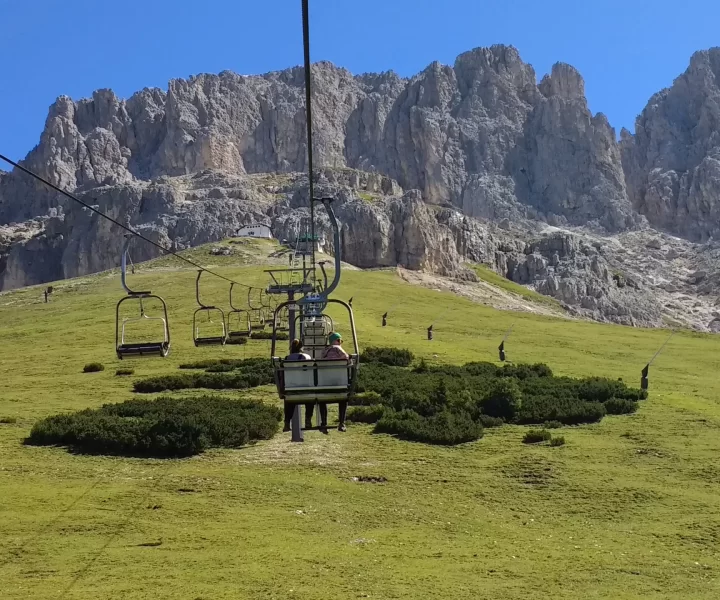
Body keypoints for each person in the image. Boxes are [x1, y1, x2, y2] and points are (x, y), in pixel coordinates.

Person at [283, 339, 313, 432]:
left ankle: (287, 422)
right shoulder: (306, 357)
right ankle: (308, 420)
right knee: (310, 400)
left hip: (291, 386)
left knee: (289, 402)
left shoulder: (287, 358)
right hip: (305, 386)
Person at [322, 332, 350, 432]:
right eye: (339, 341)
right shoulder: (338, 349)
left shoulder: (325, 351)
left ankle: (323, 422)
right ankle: (342, 422)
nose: (340, 343)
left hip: (325, 381)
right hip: (338, 380)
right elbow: (346, 358)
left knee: (322, 400)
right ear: (335, 341)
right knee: (343, 399)